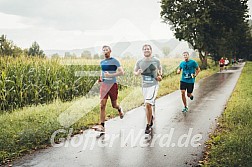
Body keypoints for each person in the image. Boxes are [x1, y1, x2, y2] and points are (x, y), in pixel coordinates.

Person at [92, 45, 125, 132]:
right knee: (102, 105)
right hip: (104, 85)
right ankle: (102, 126)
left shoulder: (115, 61)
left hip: (112, 85)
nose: (105, 51)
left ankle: (119, 109)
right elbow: (102, 72)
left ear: (110, 51)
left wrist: (110, 75)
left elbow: (122, 72)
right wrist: (100, 78)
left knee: (114, 105)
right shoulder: (102, 62)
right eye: (103, 50)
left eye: (106, 50)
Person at [134, 44, 162, 134]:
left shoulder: (156, 60)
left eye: (148, 49)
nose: (146, 50)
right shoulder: (139, 62)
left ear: (151, 50)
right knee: (148, 105)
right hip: (144, 86)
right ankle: (151, 118)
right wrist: (137, 72)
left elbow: (160, 70)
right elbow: (135, 72)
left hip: (153, 85)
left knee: (148, 104)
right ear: (143, 51)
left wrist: (160, 76)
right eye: (145, 49)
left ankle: (148, 124)